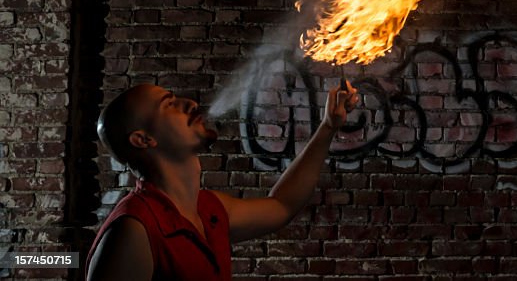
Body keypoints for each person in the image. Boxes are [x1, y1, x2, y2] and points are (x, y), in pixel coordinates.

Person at [86, 80, 359, 281]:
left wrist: (328, 127)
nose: (190, 103)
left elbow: (282, 206)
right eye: (169, 104)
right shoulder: (133, 230)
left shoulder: (209, 209)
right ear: (144, 139)